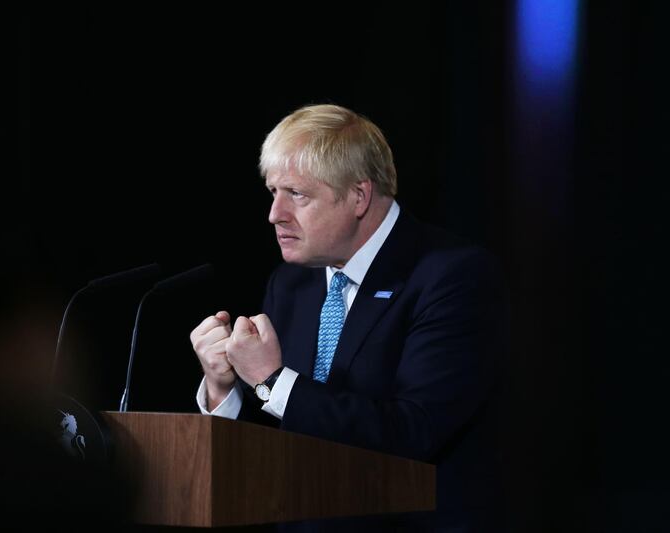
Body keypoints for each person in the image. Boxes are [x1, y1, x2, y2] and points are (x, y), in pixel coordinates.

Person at [190, 104, 505, 532]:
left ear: (359, 196)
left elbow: (413, 432)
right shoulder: (291, 282)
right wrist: (222, 389)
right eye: (273, 192)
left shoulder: (453, 277)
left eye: (296, 194)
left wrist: (270, 379)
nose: (275, 214)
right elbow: (278, 432)